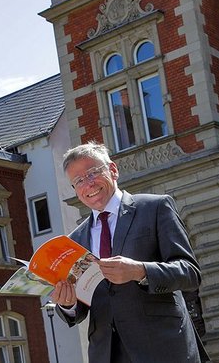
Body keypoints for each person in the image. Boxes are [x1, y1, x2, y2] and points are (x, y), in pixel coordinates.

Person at [48, 142, 208, 362]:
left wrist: (140, 271)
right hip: (107, 353)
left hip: (162, 347)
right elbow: (83, 306)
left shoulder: (155, 207)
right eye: (79, 181)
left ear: (113, 170)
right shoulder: (75, 240)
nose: (88, 184)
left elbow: (190, 273)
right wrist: (67, 304)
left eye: (93, 172)